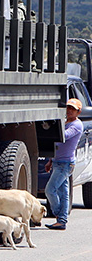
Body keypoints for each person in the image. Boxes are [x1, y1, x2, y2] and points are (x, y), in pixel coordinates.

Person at [45, 97, 84, 230]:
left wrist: (53, 126)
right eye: (68, 108)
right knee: (63, 193)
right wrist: (50, 160)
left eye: (73, 109)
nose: (69, 111)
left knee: (50, 190)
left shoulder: (77, 125)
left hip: (65, 164)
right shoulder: (66, 122)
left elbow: (63, 137)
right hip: (58, 162)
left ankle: (57, 214)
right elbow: (58, 145)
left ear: (78, 112)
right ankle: (61, 221)